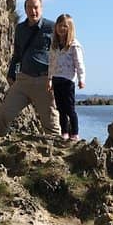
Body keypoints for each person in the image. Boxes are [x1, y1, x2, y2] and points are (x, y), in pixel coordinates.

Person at [0, 0, 61, 136]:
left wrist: (58, 79)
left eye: (36, 7)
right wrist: (11, 73)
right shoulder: (20, 29)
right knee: (3, 115)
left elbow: (61, 53)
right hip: (23, 80)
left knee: (51, 125)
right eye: (29, 8)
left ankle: (57, 154)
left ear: (41, 9)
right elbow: (17, 54)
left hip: (44, 82)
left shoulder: (52, 27)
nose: (33, 11)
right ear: (25, 10)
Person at [48, 13, 86, 141]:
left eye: (65, 26)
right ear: (56, 27)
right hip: (56, 79)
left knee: (70, 109)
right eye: (59, 25)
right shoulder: (54, 45)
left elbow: (79, 63)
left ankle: (74, 133)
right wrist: (49, 79)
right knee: (60, 109)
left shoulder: (74, 45)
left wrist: (82, 79)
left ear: (70, 28)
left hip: (68, 81)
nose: (61, 28)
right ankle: (64, 132)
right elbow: (51, 64)